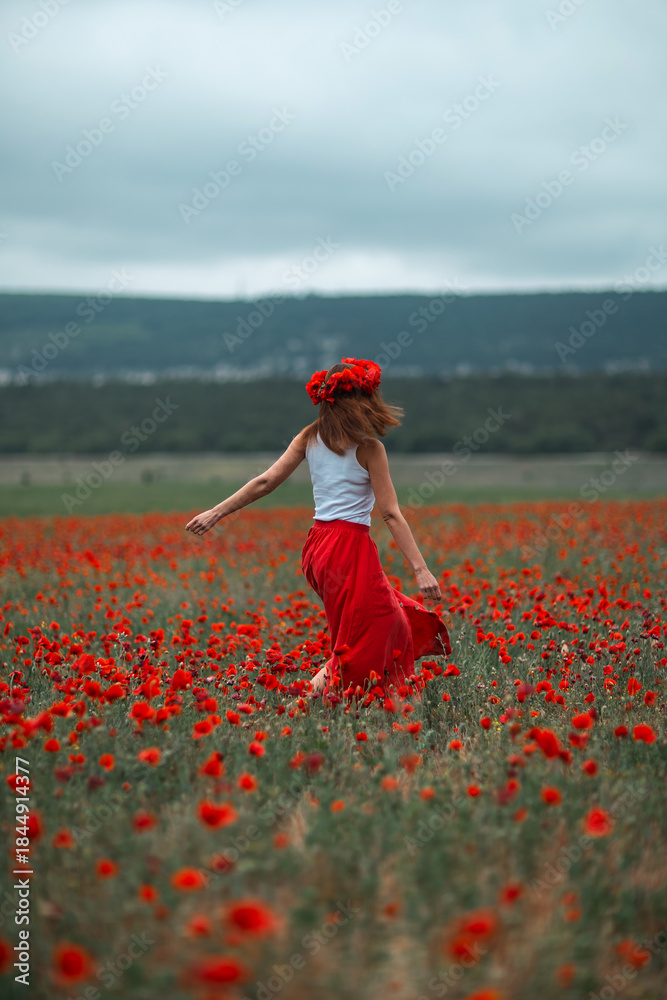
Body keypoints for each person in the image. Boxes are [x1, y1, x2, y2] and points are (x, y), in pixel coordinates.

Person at [185, 357, 451, 700]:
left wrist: (216, 512)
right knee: (363, 634)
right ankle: (305, 707)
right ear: (353, 400)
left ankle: (375, 702)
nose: (373, 403)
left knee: (391, 621)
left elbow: (265, 482)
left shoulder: (310, 437)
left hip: (318, 548)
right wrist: (422, 569)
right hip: (347, 548)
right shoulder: (370, 449)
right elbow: (391, 514)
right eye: (367, 396)